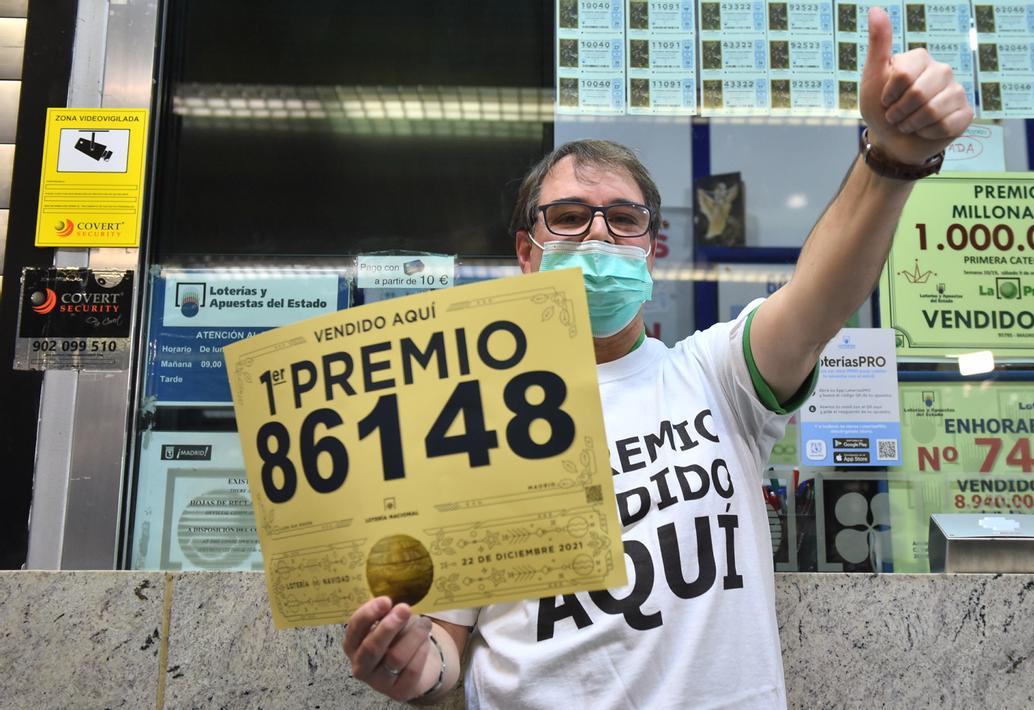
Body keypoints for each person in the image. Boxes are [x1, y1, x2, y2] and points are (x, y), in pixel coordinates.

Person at [342, 8, 971, 707]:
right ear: (527, 252)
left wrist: (891, 158)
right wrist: (411, 664)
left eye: (624, 219)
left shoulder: (719, 376)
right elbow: (443, 649)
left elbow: (822, 297)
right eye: (569, 217)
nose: (598, 236)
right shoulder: (468, 428)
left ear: (649, 249)